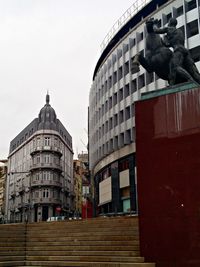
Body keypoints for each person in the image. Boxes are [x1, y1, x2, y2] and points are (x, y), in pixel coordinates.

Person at [153, 17, 200, 85]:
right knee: (193, 71)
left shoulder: (169, 29)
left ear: (170, 23)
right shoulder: (179, 31)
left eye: (168, 22)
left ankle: (191, 81)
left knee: (175, 67)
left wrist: (154, 24)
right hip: (185, 51)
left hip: (178, 50)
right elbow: (170, 43)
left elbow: (156, 30)